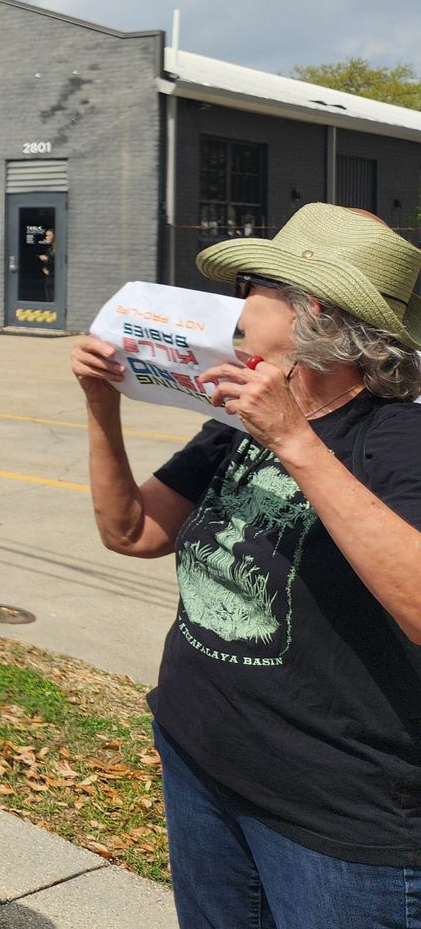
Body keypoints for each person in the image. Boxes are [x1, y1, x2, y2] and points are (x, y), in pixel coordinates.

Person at [71, 202, 421, 928]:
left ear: (311, 311)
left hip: (335, 825)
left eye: (253, 286)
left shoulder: (397, 439)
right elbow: (131, 532)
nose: (236, 303)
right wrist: (102, 408)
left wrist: (296, 441)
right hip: (201, 762)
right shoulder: (235, 426)